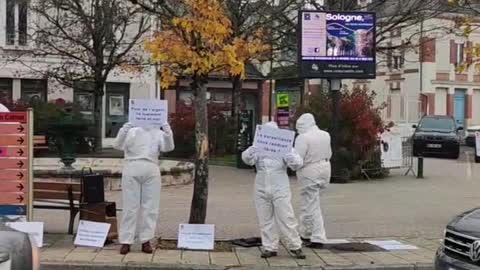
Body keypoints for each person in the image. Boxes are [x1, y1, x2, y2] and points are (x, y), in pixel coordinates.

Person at [241, 121, 306, 259]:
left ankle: (295, 246)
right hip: (261, 184)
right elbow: (246, 159)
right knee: (265, 218)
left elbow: (297, 164)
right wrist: (254, 148)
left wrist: (289, 155)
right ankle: (270, 247)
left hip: (279, 184)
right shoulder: (258, 148)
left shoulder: (285, 147)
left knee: (286, 216)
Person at [113, 121, 174, 254]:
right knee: (130, 207)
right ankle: (126, 241)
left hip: (151, 167)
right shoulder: (131, 131)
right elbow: (117, 144)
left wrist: (167, 129)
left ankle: (146, 240)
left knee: (150, 207)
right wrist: (126, 126)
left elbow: (169, 147)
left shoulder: (158, 132)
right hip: (132, 166)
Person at [295, 113, 332, 249]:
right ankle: (305, 232)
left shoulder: (302, 138)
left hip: (310, 172)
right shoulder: (325, 135)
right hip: (325, 168)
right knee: (309, 203)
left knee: (311, 205)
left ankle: (318, 237)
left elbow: (297, 160)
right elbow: (329, 153)